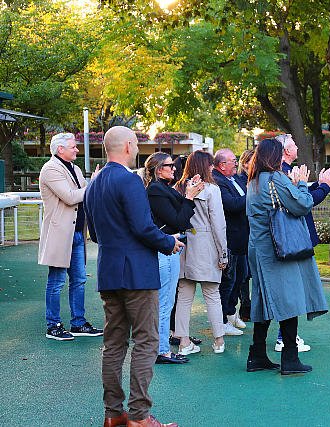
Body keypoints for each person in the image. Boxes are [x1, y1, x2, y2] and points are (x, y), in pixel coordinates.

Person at [84, 126, 182, 427]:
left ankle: (113, 414)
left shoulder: (94, 183)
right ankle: (140, 416)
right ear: (128, 145)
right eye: (136, 143)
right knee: (147, 341)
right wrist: (168, 242)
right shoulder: (129, 180)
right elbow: (143, 227)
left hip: (109, 271)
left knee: (114, 344)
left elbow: (95, 234)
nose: (137, 148)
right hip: (137, 273)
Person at [245, 138, 327, 375]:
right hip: (278, 249)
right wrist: (302, 184)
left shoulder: (254, 180)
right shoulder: (275, 178)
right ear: (275, 156)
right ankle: (290, 358)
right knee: (288, 299)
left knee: (262, 300)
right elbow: (302, 204)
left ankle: (257, 355)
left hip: (259, 248)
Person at [38, 132, 103, 341]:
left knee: (79, 280)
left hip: (76, 233)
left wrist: (91, 186)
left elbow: (85, 194)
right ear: (60, 149)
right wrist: (92, 184)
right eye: (73, 146)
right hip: (60, 234)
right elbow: (70, 196)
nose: (77, 149)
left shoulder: (74, 168)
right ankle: (53, 325)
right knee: (57, 281)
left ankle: (78, 323)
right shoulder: (50, 169)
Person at [276, 133, 330, 352]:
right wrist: (325, 186)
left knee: (294, 289)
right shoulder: (282, 174)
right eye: (293, 145)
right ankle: (285, 338)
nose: (297, 148)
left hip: (293, 239)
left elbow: (304, 196)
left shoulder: (284, 172)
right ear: (285, 150)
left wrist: (318, 184)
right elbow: (303, 203)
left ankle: (286, 336)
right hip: (292, 241)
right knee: (293, 290)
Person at [142, 152, 203, 364]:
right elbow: (179, 220)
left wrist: (189, 191)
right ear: (159, 170)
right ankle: (162, 351)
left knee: (166, 301)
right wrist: (189, 197)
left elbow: (180, 213)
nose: (175, 168)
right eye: (170, 165)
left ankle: (162, 347)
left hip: (170, 248)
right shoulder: (155, 190)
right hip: (165, 251)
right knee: (164, 302)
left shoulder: (164, 188)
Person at [174, 151, 228, 355]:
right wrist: (223, 254)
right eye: (211, 165)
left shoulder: (179, 188)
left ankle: (183, 341)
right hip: (206, 245)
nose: (213, 168)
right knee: (212, 294)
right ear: (206, 167)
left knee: (184, 296)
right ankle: (219, 340)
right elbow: (218, 224)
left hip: (183, 244)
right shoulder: (212, 190)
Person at [212, 148, 248, 337]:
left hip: (241, 238)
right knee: (228, 281)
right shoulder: (218, 181)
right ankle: (222, 321)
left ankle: (231, 312)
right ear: (222, 165)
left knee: (241, 276)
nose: (236, 163)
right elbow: (232, 205)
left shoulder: (235, 178)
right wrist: (252, 195)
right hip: (229, 239)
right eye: (233, 160)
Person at [236, 149, 254, 322]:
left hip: (253, 230)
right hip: (243, 230)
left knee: (250, 270)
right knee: (244, 273)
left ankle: (250, 305)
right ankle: (245, 306)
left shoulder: (256, 179)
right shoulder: (240, 180)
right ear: (245, 163)